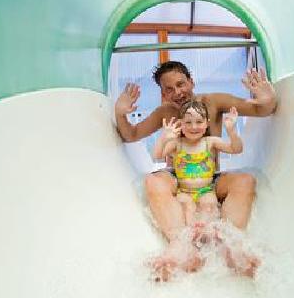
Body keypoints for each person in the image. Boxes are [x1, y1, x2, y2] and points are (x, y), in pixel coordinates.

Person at [114, 61, 277, 277]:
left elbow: (261, 109)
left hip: (210, 178)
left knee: (245, 180)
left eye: (180, 84)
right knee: (153, 181)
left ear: (191, 82)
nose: (177, 92)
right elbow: (131, 135)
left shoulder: (214, 102)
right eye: (169, 89)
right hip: (178, 178)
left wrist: (267, 98)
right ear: (163, 93)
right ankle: (180, 244)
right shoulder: (165, 113)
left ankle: (231, 243)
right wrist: (120, 113)